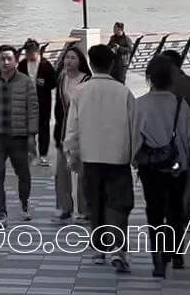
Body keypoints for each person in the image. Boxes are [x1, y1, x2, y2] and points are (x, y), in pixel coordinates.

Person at [133, 53, 190, 278]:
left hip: (149, 168)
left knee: (154, 212)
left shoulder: (139, 105)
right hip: (176, 166)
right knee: (175, 210)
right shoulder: (180, 106)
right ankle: (177, 254)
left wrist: (132, 159)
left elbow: (133, 139)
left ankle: (158, 260)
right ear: (171, 79)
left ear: (149, 77)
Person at [70, 43, 137, 272]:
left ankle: (98, 249)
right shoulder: (124, 92)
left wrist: (73, 156)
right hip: (119, 157)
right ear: (111, 64)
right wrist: (135, 155)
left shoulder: (79, 92)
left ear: (90, 64)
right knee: (119, 203)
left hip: (90, 157)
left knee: (94, 202)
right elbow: (134, 127)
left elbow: (72, 129)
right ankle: (118, 249)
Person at [0, 45, 38, 224]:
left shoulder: (25, 81)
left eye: (9, 58)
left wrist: (32, 135)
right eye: (2, 58)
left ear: (16, 61)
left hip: (19, 137)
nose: (5, 62)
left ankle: (24, 204)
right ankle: (1, 213)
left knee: (23, 174)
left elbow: (33, 110)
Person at [50, 43, 92, 224]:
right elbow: (58, 108)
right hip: (62, 130)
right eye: (67, 57)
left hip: (83, 132)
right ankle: (64, 207)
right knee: (61, 172)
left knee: (83, 173)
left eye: (73, 58)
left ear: (80, 61)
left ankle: (84, 209)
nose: (68, 61)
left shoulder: (87, 80)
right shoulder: (61, 78)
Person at [20, 40, 58, 167]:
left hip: (43, 101)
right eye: (26, 53)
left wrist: (44, 83)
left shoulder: (46, 65)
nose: (27, 55)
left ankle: (43, 155)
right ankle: (31, 153)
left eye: (30, 53)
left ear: (36, 52)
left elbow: (54, 82)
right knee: (28, 130)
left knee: (43, 128)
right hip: (26, 102)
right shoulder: (22, 65)